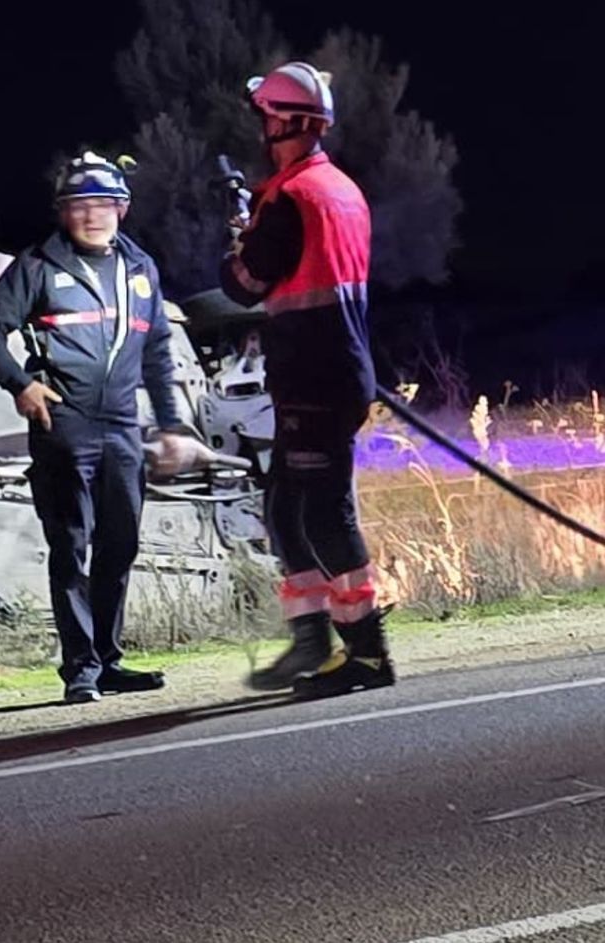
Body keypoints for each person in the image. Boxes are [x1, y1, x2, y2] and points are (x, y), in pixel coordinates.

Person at [0, 151, 198, 704]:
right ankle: (81, 670)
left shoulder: (141, 269)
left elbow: (160, 352)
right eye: (79, 205)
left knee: (120, 544)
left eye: (103, 204)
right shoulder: (38, 266)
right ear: (63, 212)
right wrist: (21, 384)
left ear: (122, 208)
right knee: (71, 546)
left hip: (122, 427)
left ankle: (110, 659)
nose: (93, 215)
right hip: (64, 424)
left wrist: (171, 425)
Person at [218, 61, 392, 699]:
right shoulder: (338, 187)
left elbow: (245, 283)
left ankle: (368, 654)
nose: (261, 128)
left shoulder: (291, 197)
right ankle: (313, 644)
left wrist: (240, 244)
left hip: (314, 374)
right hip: (333, 370)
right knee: (285, 510)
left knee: (322, 514)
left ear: (282, 122)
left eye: (266, 117)